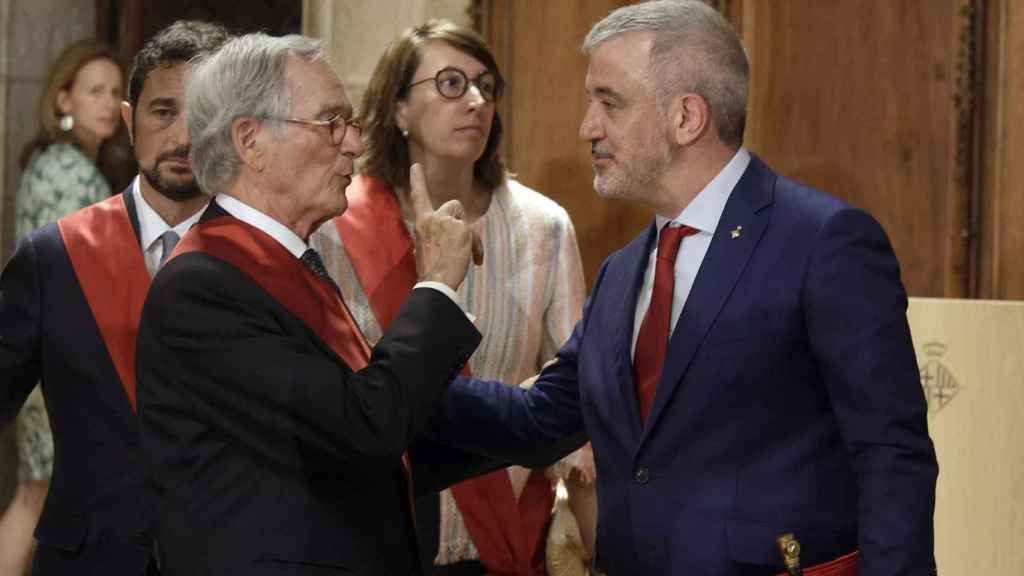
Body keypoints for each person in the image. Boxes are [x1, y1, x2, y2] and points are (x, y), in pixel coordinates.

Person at [431, 2, 939, 575]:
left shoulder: (824, 243)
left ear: (686, 117)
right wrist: (388, 380)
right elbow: (541, 418)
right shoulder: (623, 272)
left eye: (609, 102)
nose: (587, 127)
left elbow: (891, 457)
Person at [135, 33, 487, 575]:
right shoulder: (203, 286)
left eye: (350, 123)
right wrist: (437, 283)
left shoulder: (284, 260)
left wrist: (553, 407)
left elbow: (346, 430)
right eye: (331, 123)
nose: (352, 144)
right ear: (250, 140)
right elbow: (365, 427)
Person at [309, 19, 590, 576]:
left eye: (487, 85)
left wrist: (579, 513)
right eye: (452, 84)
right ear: (397, 110)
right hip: (377, 531)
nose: (478, 101)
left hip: (507, 536)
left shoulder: (543, 225)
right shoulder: (338, 224)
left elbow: (571, 383)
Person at [0, 20, 229, 574]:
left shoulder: (270, 259)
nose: (182, 137)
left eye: (204, 114)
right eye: (163, 111)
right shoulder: (53, 256)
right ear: (129, 121)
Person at [1, 41, 124, 574]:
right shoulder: (71, 173)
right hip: (55, 357)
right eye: (94, 90)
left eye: (116, 92)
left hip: (41, 349)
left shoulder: (57, 164)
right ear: (63, 98)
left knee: (38, 493)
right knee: (38, 496)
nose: (108, 103)